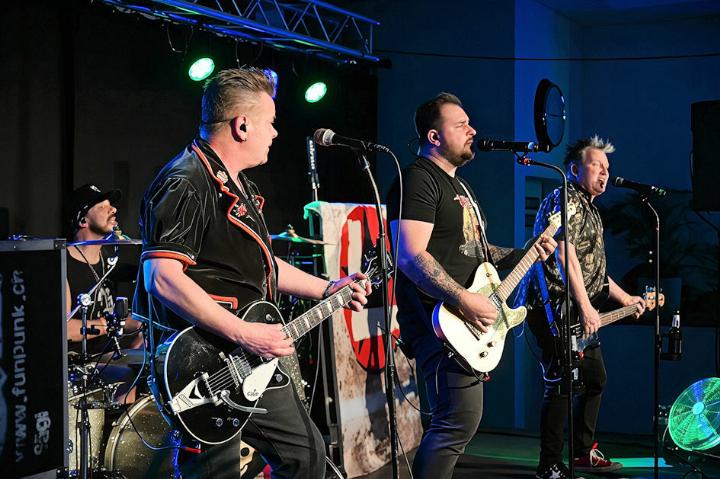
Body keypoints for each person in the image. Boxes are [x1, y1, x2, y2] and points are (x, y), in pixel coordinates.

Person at [132, 67, 371, 479]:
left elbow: (266, 266)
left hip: (248, 355)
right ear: (242, 125)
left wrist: (330, 288)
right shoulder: (185, 181)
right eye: (271, 122)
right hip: (204, 363)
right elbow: (163, 277)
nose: (275, 133)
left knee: (305, 454)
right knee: (216, 472)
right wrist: (244, 333)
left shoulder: (238, 184)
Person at [386, 92, 557, 478]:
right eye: (461, 124)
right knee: (456, 422)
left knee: (458, 422)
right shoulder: (418, 179)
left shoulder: (462, 188)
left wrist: (526, 253)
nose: (473, 130)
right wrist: (462, 298)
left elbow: (477, 251)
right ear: (434, 136)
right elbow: (410, 255)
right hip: (439, 320)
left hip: (465, 321)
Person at [515, 135, 646, 479]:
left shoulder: (591, 209)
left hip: (579, 311)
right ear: (574, 169)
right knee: (562, 383)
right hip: (554, 308)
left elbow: (594, 271)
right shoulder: (564, 198)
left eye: (607, 167)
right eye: (596, 165)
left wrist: (626, 298)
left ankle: (582, 453)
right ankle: (549, 464)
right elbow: (564, 255)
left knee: (594, 378)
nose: (604, 173)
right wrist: (587, 307)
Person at [64, 184, 144, 401]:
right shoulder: (62, 264)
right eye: (103, 206)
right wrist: (115, 324)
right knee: (124, 374)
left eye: (112, 205)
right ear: (83, 220)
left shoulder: (109, 261)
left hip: (106, 353)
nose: (114, 210)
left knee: (156, 357)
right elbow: (65, 329)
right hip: (76, 360)